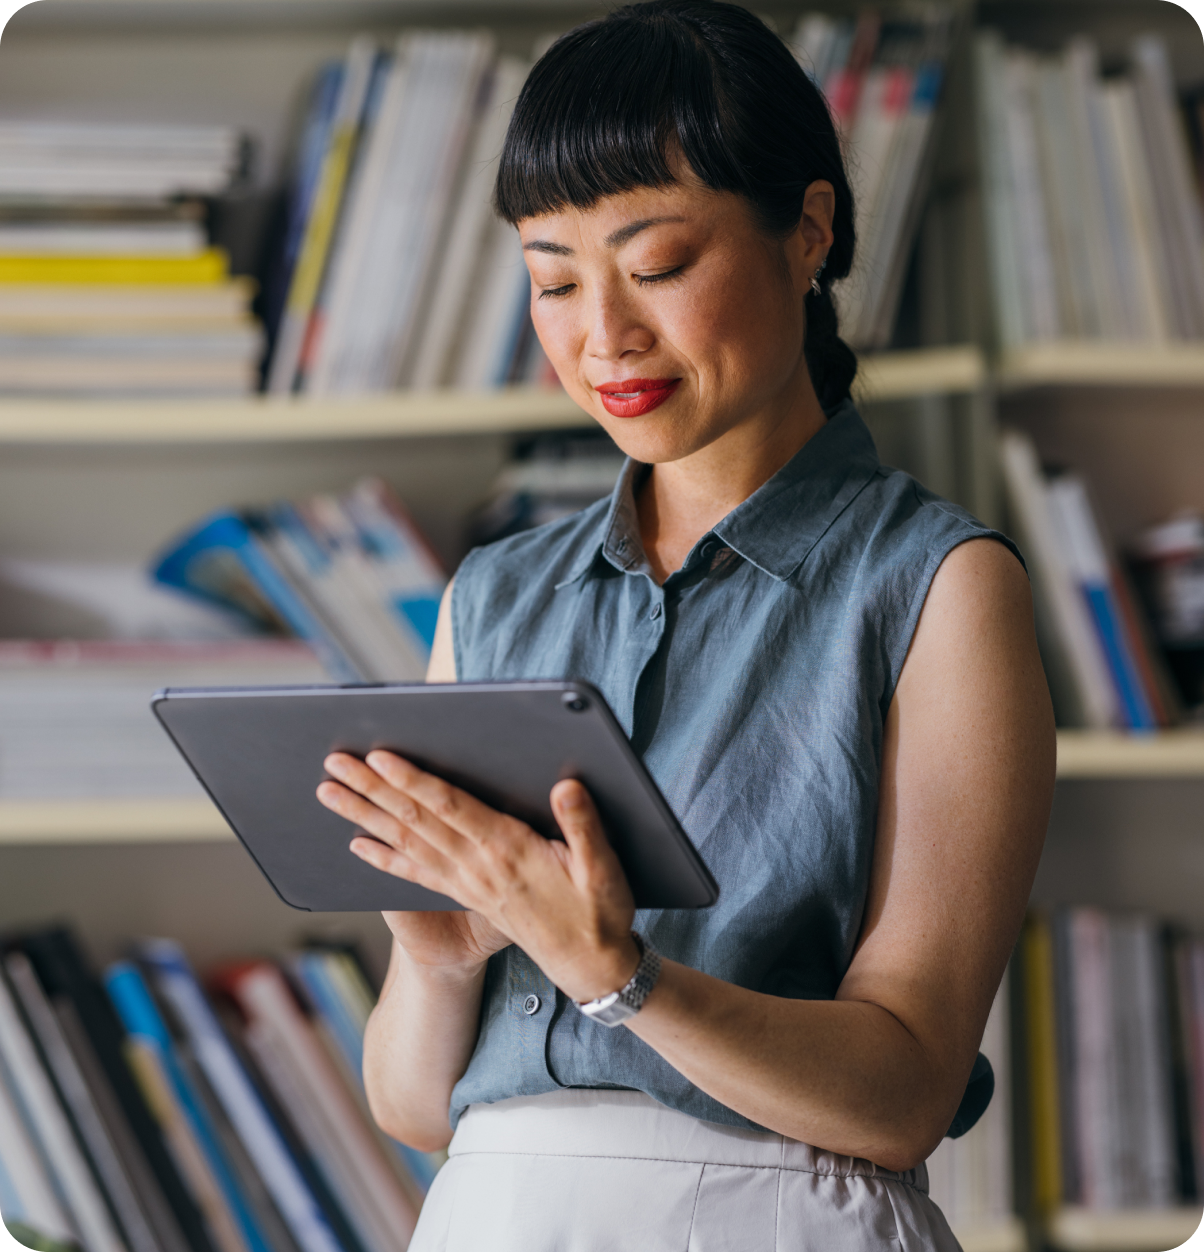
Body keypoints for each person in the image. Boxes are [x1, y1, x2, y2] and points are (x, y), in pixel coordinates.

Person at [315, 3, 1055, 1247]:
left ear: (807, 231)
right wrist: (446, 958)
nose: (603, 335)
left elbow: (904, 1094)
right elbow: (412, 1101)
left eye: (656, 266)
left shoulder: (938, 584)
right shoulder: (492, 595)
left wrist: (620, 977)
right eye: (553, 279)